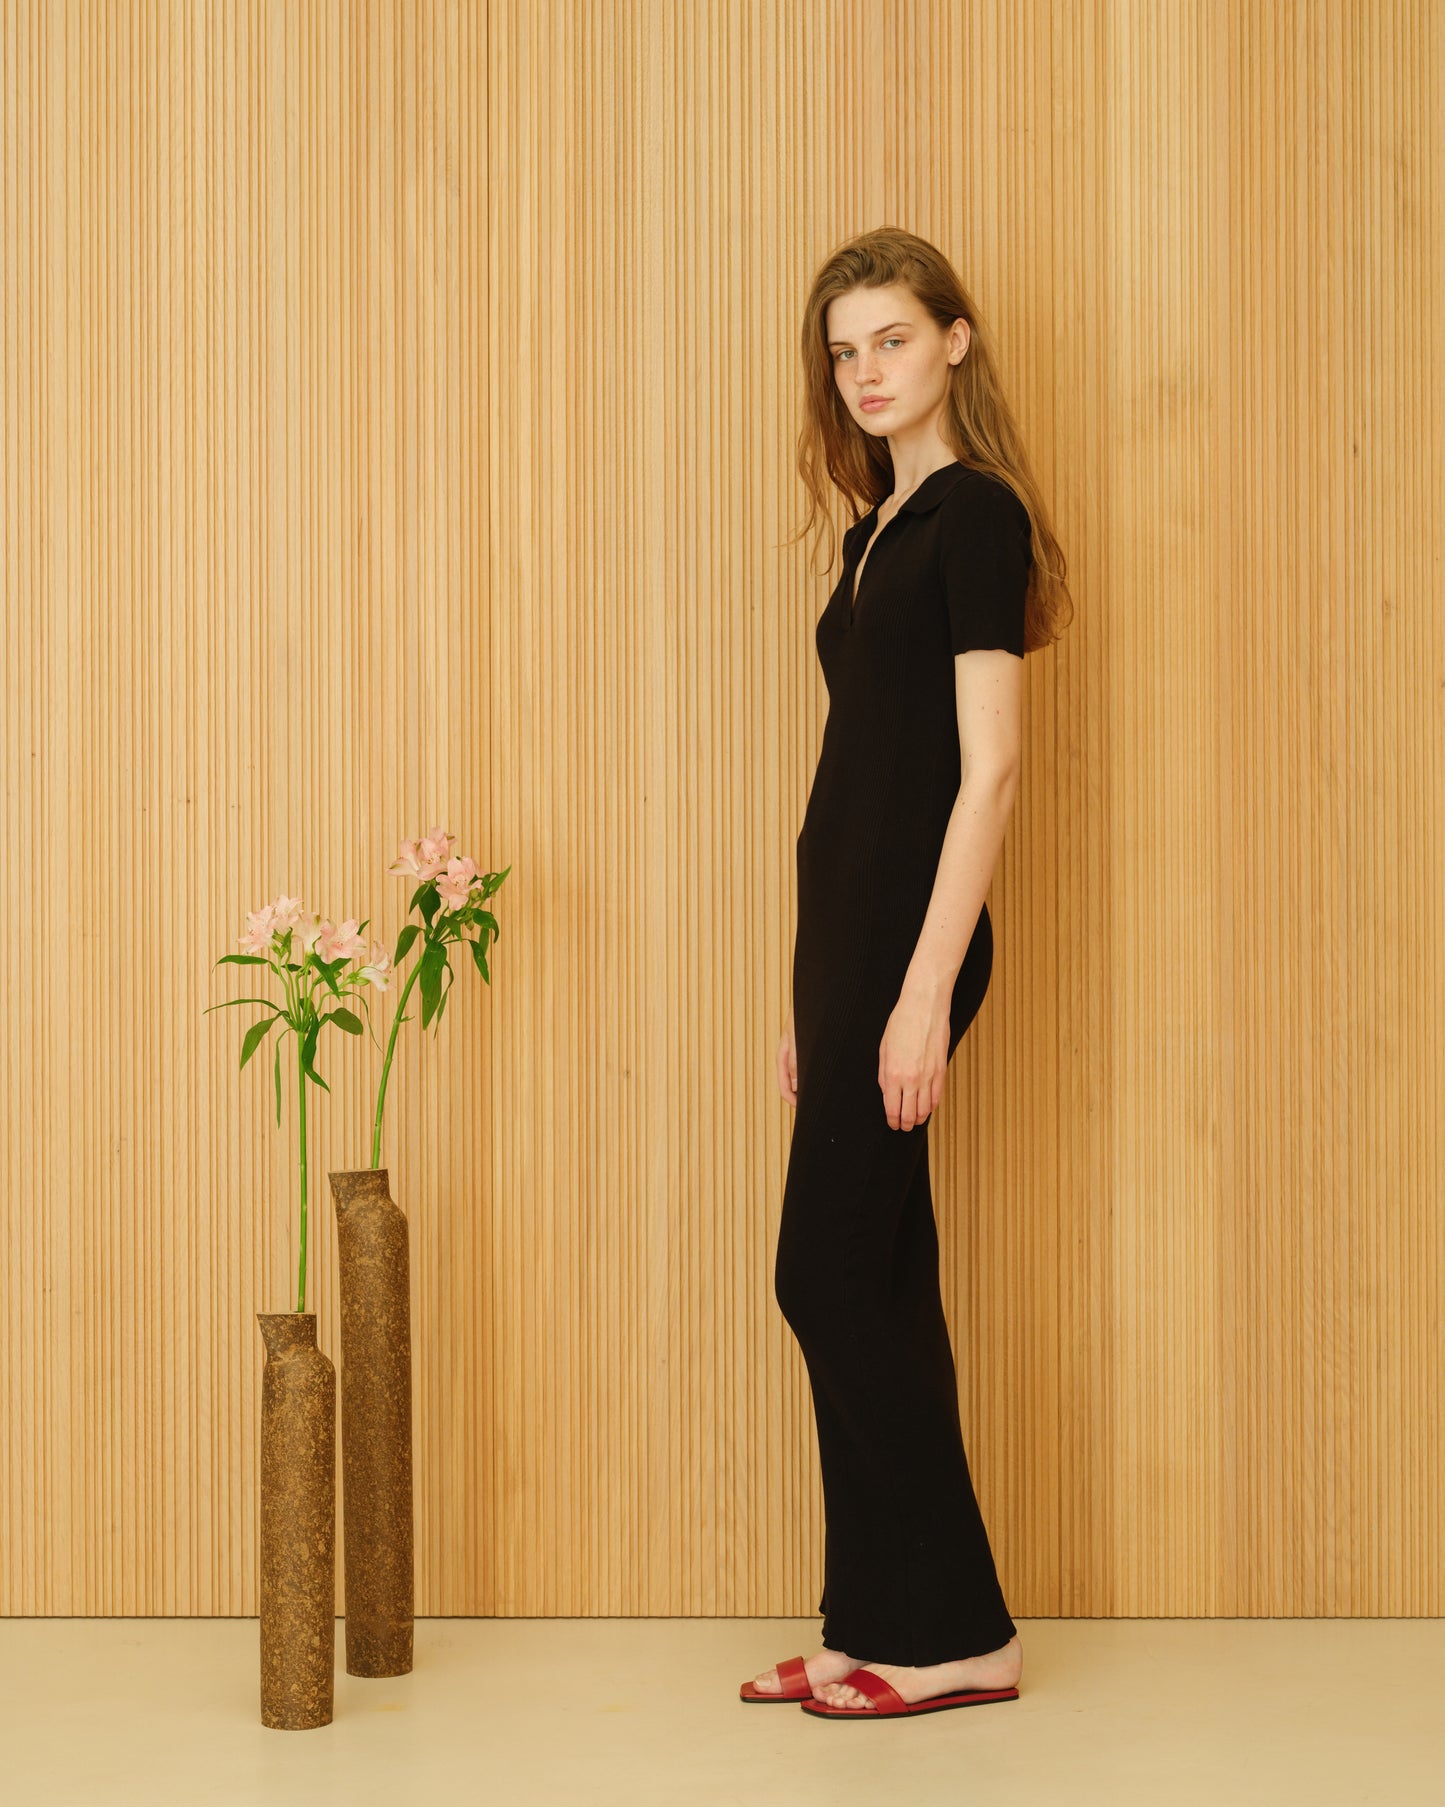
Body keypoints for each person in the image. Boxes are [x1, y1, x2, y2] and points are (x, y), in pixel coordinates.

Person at [745, 228, 1072, 1720]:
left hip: (909, 944)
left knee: (822, 1272)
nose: (864, 372)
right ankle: (876, 1621)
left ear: (954, 338)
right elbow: (855, 776)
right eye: (842, 352)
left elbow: (987, 771)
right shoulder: (874, 527)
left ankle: (958, 1633)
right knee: (874, 1274)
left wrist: (925, 989)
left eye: (890, 339)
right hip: (848, 945)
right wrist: (811, 1000)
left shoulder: (975, 517)